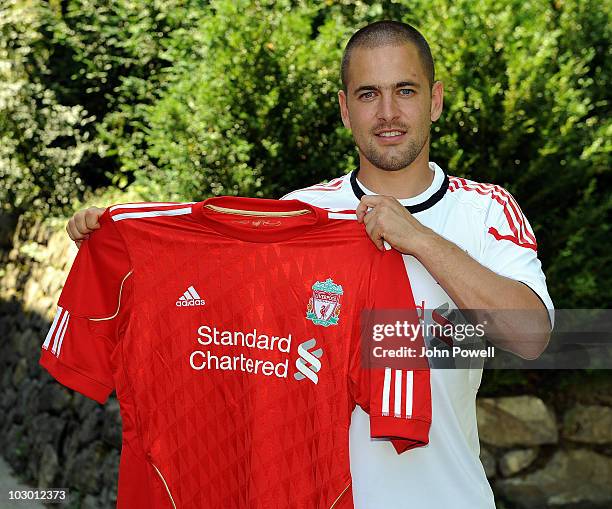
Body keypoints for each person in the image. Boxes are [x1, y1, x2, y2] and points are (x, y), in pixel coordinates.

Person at [65, 20, 553, 509]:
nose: (388, 113)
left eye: (405, 90)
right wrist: (118, 246)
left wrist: (419, 239)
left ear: (436, 99)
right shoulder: (300, 215)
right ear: (345, 109)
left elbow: (530, 336)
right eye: (367, 94)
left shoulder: (487, 210)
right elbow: (228, 339)